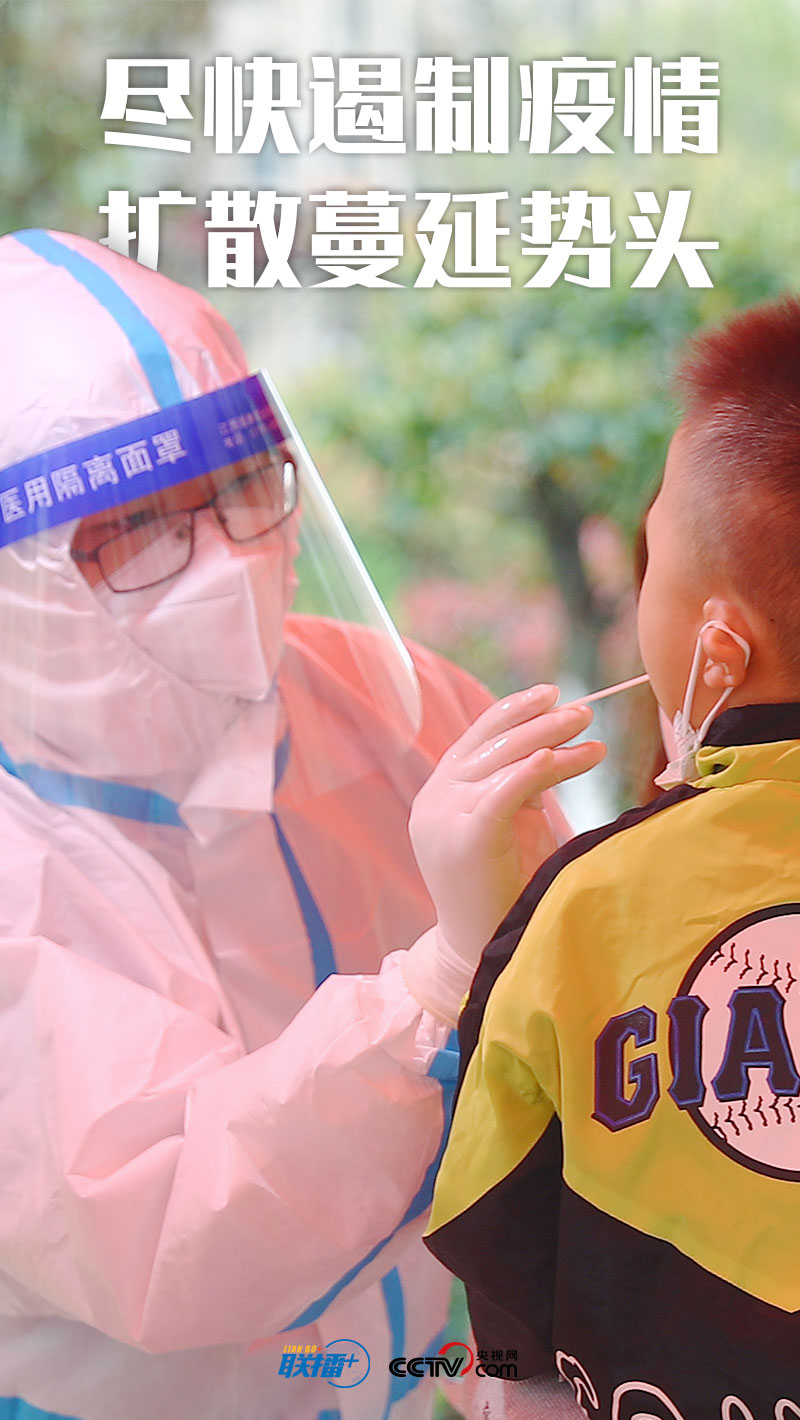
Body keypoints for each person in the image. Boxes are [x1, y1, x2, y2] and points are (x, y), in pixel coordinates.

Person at [0, 229, 591, 1420]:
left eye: (239, 486)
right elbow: (176, 1229)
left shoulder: (386, 703)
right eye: (138, 525)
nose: (226, 561)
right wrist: (435, 983)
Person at [423, 296, 800, 1418]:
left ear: (716, 647)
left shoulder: (583, 906)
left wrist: (474, 945)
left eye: (652, 558)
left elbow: (502, 1287)